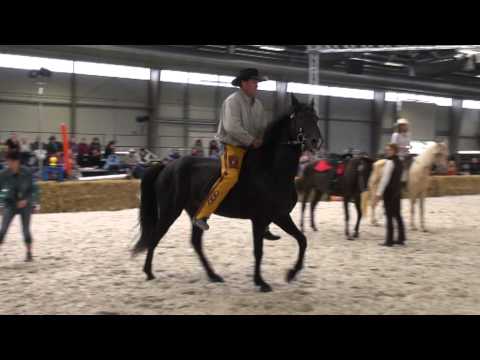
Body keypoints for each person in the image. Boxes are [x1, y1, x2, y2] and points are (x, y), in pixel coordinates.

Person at [192, 68, 280, 241]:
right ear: (244, 83)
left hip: (251, 147)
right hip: (231, 146)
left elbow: (262, 127)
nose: (257, 85)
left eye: (257, 82)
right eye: (254, 82)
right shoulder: (232, 101)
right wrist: (252, 140)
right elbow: (232, 127)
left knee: (266, 177)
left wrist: (265, 139)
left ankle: (264, 223)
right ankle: (202, 214)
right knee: (230, 176)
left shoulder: (259, 104)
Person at [0, 151, 40, 261]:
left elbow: (33, 188)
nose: (8, 164)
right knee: (2, 230)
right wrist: (1, 204)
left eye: (11, 162)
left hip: (25, 204)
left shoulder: (27, 172)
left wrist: (32, 202)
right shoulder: (3, 174)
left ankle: (29, 253)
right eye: (7, 162)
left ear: (17, 162)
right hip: (10, 204)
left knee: (26, 230)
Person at [373, 143, 406, 247]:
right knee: (397, 215)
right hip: (397, 192)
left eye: (389, 150)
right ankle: (401, 238)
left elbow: (385, 179)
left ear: (394, 151)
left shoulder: (389, 162)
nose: (387, 151)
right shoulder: (400, 162)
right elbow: (403, 178)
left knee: (389, 216)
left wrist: (378, 194)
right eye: (387, 150)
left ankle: (389, 240)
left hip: (389, 192)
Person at [391, 118, 412, 187]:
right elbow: (393, 146)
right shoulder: (395, 135)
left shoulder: (408, 135)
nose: (403, 127)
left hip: (406, 154)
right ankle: (400, 181)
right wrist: (404, 148)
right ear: (399, 126)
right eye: (402, 125)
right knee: (401, 165)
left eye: (404, 125)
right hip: (398, 155)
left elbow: (408, 144)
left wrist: (409, 147)